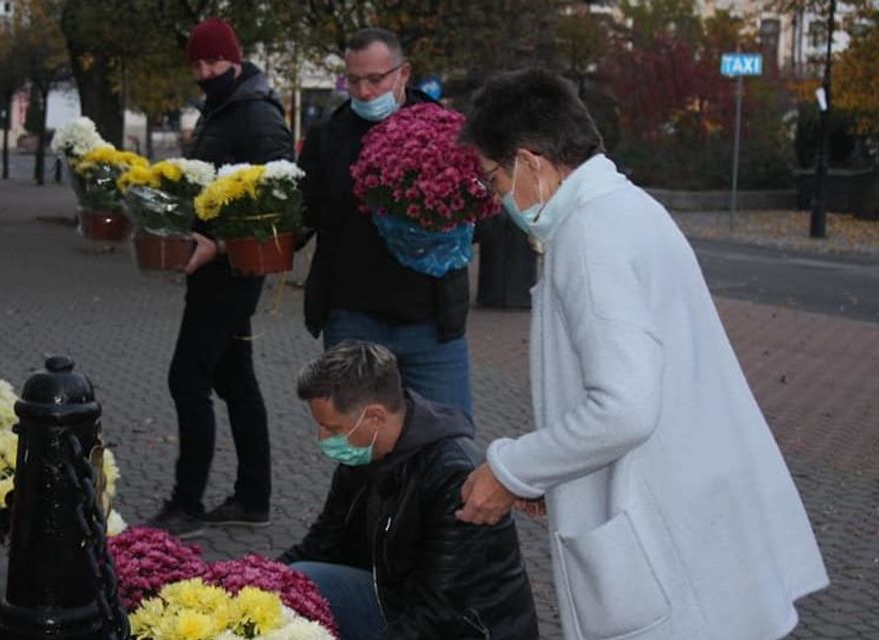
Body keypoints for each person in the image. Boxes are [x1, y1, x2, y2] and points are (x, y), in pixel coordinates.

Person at [455, 69, 829, 640]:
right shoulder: (622, 208)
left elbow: (624, 408)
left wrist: (512, 471)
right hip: (688, 510)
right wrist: (553, 480)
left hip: (668, 538)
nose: (492, 197)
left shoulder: (589, 235)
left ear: (531, 163)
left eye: (492, 179)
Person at [280, 340, 538, 640]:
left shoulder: (453, 477)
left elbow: (439, 616)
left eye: (333, 429)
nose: (321, 437)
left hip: (466, 630)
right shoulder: (362, 452)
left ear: (375, 417)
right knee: (294, 582)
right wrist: (245, 581)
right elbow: (322, 542)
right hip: (399, 601)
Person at [148, 17, 294, 538]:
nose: (206, 72)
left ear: (236, 60)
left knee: (187, 378)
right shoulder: (221, 109)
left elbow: (284, 203)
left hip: (232, 273)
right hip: (212, 269)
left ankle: (187, 504)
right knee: (236, 381)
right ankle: (254, 498)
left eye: (214, 62)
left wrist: (223, 245)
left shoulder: (257, 117)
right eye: (198, 65)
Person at [299, 28, 474, 420]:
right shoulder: (328, 138)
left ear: (403, 73)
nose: (363, 91)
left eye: (375, 79)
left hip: (432, 324)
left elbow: (484, 203)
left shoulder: (446, 130)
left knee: (450, 443)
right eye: (354, 80)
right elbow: (301, 217)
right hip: (352, 319)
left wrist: (454, 220)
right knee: (360, 447)